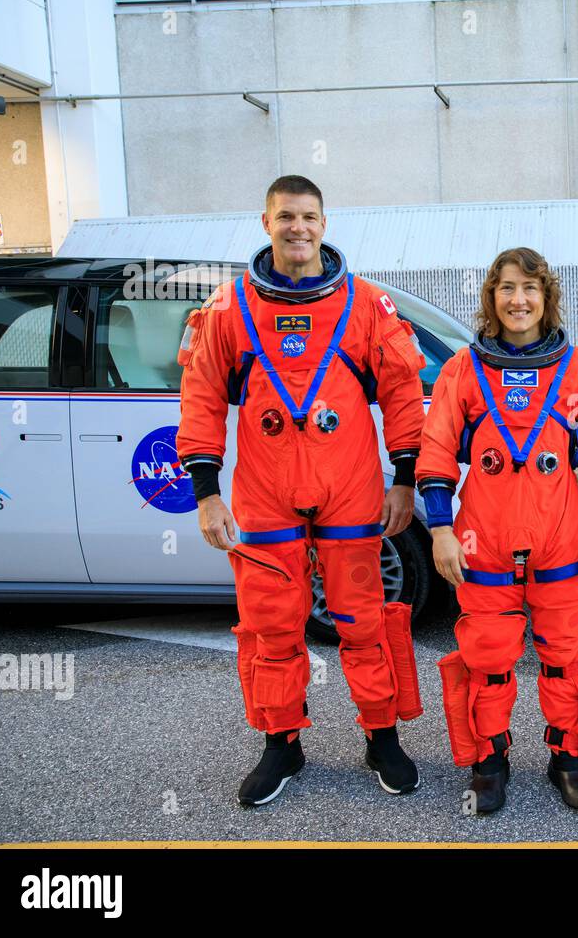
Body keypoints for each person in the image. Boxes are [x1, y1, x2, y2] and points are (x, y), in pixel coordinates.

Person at [177, 175, 428, 806]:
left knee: (363, 622)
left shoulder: (367, 305)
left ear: (325, 222)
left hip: (349, 488)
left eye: (309, 216)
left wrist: (404, 481)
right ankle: (281, 743)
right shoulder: (229, 309)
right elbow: (202, 398)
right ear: (266, 223)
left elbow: (402, 393)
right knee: (271, 627)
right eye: (286, 216)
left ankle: (381, 734)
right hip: (264, 494)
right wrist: (207, 492)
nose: (299, 228)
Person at [417, 247, 578, 814]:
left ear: (547, 298)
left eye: (530, 289)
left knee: (563, 656)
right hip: (481, 543)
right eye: (507, 288)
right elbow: (435, 451)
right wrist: (440, 530)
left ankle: (568, 756)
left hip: (561, 544)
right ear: (492, 297)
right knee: (488, 661)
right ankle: (490, 760)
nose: (519, 300)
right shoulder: (464, 369)